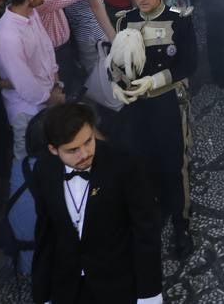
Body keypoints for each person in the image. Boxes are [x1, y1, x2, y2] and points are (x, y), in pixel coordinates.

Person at [29, 103, 163, 304]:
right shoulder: (43, 170)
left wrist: (150, 293)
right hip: (69, 287)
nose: (84, 154)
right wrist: (44, 294)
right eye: (73, 150)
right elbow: (46, 234)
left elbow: (145, 229)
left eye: (88, 141)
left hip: (118, 283)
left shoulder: (123, 163)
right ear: (53, 150)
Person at [108, 0, 198, 261]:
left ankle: (181, 224)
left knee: (174, 163)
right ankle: (150, 214)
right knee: (140, 163)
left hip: (166, 103)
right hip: (135, 108)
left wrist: (156, 81)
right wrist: (117, 85)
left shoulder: (179, 20)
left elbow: (188, 63)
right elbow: (118, 63)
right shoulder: (125, 21)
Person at [0, 0, 64, 162]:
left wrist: (56, 84)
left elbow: (47, 49)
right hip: (27, 110)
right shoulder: (8, 35)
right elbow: (22, 81)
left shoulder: (32, 13)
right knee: (28, 161)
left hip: (48, 98)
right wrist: (50, 98)